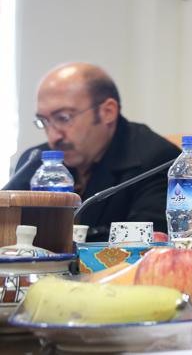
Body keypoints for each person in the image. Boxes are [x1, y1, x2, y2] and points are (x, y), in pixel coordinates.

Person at [7, 63, 181, 242]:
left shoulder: (157, 160)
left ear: (107, 112)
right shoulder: (35, 161)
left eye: (63, 118)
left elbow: (146, 243)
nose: (53, 136)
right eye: (44, 121)